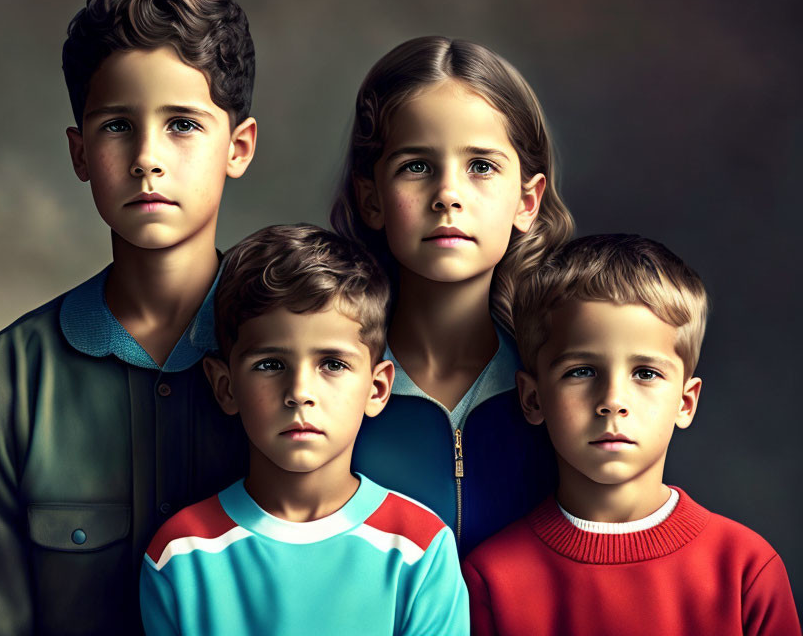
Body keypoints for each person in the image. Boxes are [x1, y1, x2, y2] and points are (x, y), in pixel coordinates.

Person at [0, 0, 256, 635]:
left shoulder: (315, 363)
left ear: (237, 148)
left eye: (183, 124)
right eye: (118, 125)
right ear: (79, 152)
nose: (147, 158)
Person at [462, 234, 801, 636]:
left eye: (646, 373)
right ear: (533, 399)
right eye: (582, 371)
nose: (612, 401)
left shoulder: (746, 570)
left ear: (685, 402)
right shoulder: (490, 579)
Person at [140, 224, 469, 636]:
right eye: (270, 364)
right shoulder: (180, 554)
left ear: (377, 387)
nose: (299, 393)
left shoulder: (420, 549)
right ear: (226, 387)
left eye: (332, 363)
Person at [331, 36, 574, 555]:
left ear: (527, 202)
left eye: (481, 166)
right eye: (416, 166)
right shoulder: (320, 384)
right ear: (371, 199)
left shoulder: (570, 390)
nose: (448, 195)